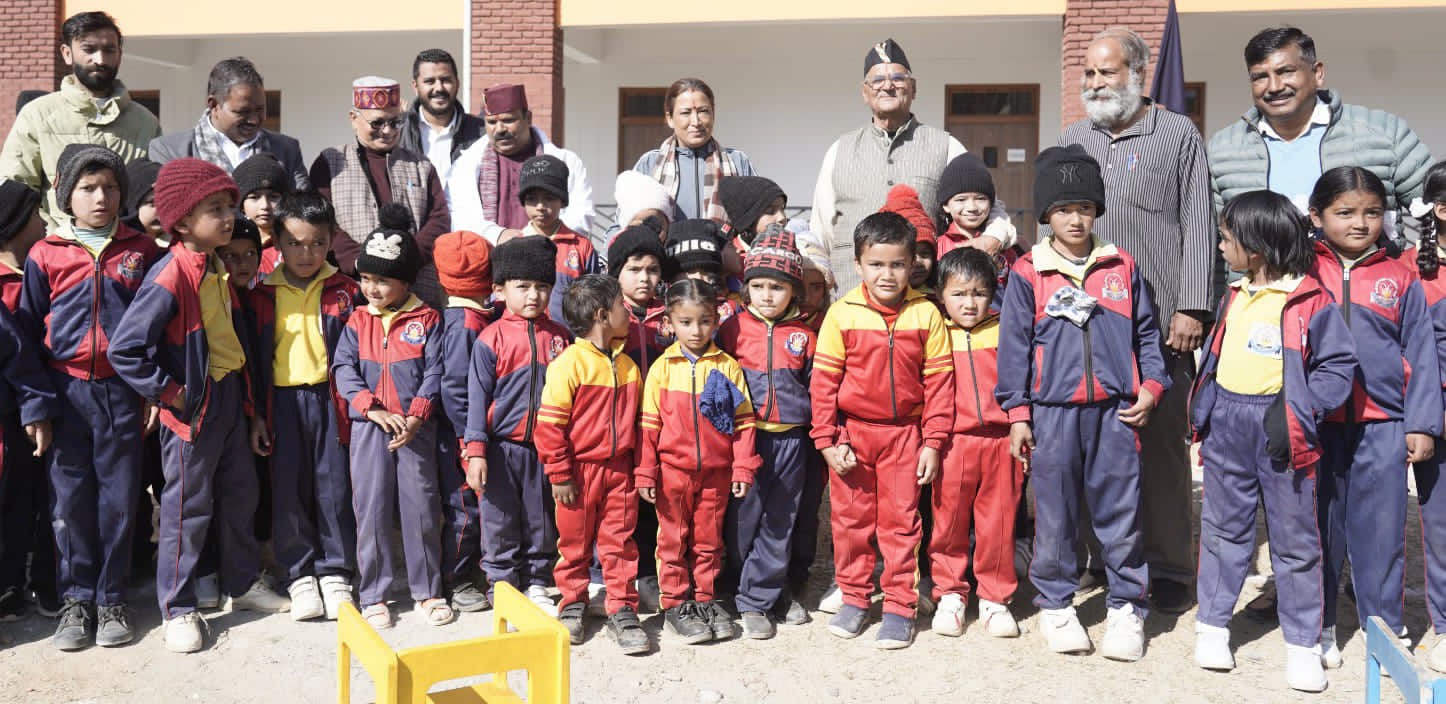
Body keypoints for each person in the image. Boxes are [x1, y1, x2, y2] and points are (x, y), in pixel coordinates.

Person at [1059, 27, 1216, 613]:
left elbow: (1199, 221)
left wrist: (1192, 305)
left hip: (1163, 325)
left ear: (1138, 73)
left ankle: (1170, 566)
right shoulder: (1074, 139)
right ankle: (1100, 558)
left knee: (1162, 452)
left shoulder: (1177, 134)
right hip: (1089, 326)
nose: (1097, 83)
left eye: (1108, 71)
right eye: (1090, 73)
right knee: (1093, 447)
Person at [109, 158, 291, 653]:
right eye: (216, 209)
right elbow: (125, 348)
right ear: (183, 221)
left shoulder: (215, 264)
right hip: (194, 409)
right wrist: (169, 393)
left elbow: (231, 341)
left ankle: (242, 583)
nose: (230, 217)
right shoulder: (171, 274)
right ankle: (178, 607)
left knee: (240, 496)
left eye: (230, 206)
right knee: (185, 510)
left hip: (230, 400)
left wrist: (251, 410)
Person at [996, 145, 1168, 661]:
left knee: (1121, 512)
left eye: (1086, 208)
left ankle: (1126, 605)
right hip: (1052, 414)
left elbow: (1147, 334)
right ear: (1046, 215)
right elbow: (1014, 348)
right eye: (1064, 209)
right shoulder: (1029, 271)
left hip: (1115, 413)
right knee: (1055, 514)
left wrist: (1152, 385)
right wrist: (1018, 413)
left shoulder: (1121, 265)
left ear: (1098, 211)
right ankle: (1056, 604)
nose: (1076, 219)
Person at [1190, 189, 1354, 692]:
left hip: (1284, 432)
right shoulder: (1235, 293)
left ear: (1257, 247)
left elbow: (1337, 367)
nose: (1221, 246)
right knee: (1223, 530)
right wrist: (1206, 409)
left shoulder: (1309, 298)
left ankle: (1303, 643)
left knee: (1295, 539)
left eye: (1227, 238)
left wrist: (1299, 411)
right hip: (1228, 428)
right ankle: (1212, 627)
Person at [16, 145, 162, 651]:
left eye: (110, 188)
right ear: (66, 195)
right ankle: (76, 600)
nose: (101, 198)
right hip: (66, 392)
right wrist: (36, 405)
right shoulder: (47, 254)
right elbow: (26, 338)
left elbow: (158, 330)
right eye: (88, 188)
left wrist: (152, 388)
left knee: (120, 500)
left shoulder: (142, 251)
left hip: (123, 393)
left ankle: (112, 599)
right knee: (69, 502)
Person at [1307, 166, 1441, 666]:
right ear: (1317, 216)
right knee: (1318, 526)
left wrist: (1421, 423)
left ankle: (1382, 627)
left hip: (1383, 423)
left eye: (1372, 212)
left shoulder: (1400, 276)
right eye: (1345, 212)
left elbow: (1421, 353)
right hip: (1317, 425)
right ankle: (1317, 624)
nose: (1360, 223)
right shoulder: (1301, 269)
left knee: (1382, 532)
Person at [809, 211, 952, 649]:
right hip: (852, 435)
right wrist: (826, 440)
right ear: (858, 264)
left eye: (897, 264)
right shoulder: (841, 314)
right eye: (876, 264)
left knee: (901, 524)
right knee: (850, 522)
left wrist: (932, 442)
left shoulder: (926, 314)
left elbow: (940, 385)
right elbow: (823, 384)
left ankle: (899, 607)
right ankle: (854, 597)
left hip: (905, 436)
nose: (886, 274)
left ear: (912, 265)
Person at [809, 38, 1015, 292]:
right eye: (877, 80)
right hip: (850, 293)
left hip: (924, 296)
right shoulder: (839, 150)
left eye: (897, 78)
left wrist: (994, 237)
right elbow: (820, 228)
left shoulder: (946, 146)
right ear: (864, 92)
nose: (887, 86)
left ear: (913, 88)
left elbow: (992, 206)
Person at [331, 206, 450, 630]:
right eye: (366, 278)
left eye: (382, 280)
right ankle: (374, 594)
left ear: (406, 282)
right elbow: (343, 368)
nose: (372, 288)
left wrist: (417, 415)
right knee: (372, 508)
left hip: (415, 431)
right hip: (370, 429)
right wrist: (371, 407)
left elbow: (436, 372)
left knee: (421, 508)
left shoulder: (428, 318)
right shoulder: (357, 320)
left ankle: (428, 590)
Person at [246, 191, 361, 622]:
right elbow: (252, 362)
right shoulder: (262, 294)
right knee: (287, 488)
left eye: (317, 243)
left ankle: (335, 571)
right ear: (276, 241)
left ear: (331, 240)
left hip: (331, 400)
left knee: (334, 486)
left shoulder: (345, 291)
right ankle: (299, 573)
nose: (306, 253)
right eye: (295, 243)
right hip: (281, 402)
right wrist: (256, 414)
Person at [639, 278, 761, 645]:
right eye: (686, 322)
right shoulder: (662, 369)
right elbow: (649, 425)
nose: (696, 330)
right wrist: (646, 471)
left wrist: (742, 466)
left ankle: (705, 599)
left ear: (716, 320)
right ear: (669, 323)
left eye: (705, 321)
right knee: (673, 539)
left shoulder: (727, 367)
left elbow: (744, 422)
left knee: (708, 540)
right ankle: (677, 604)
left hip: (716, 474)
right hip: (672, 473)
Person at [1209, 27, 1433, 224]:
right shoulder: (1222, 151)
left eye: (1286, 72)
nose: (1274, 87)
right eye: (1260, 77)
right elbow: (1210, 239)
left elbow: (1438, 208)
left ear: (1317, 73)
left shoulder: (1384, 132)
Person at [534, 273, 650, 654]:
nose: (627, 313)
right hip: (578, 473)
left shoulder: (629, 367)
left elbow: (639, 425)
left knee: (620, 541)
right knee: (574, 542)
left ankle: (622, 608)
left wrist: (639, 469)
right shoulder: (569, 364)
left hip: (620, 471)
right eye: (621, 306)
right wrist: (560, 473)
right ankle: (572, 602)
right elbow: (549, 427)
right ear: (602, 315)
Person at [717, 227, 815, 639]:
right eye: (758, 286)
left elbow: (817, 389)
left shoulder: (805, 336)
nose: (767, 295)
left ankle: (760, 596)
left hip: (791, 441)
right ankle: (742, 588)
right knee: (742, 519)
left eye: (777, 287)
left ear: (793, 290)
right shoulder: (732, 329)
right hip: (746, 440)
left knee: (780, 519)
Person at [463, 236, 569, 615]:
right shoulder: (490, 339)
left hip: (545, 449)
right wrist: (476, 452)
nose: (533, 296)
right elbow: (476, 401)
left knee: (541, 518)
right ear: (500, 290)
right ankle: (503, 586)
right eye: (522, 286)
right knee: (500, 520)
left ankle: (538, 581)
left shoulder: (561, 338)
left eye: (542, 286)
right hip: (500, 448)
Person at [929, 247, 1023, 639]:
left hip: (1001, 442)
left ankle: (995, 598)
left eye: (979, 293)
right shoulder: (935, 332)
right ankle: (950, 592)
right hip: (953, 443)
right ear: (941, 295)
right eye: (959, 294)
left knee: (998, 523)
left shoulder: (1006, 329)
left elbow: (1022, 380)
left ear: (993, 293)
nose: (969, 303)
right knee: (948, 521)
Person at [1, 12, 161, 230]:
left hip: (127, 247)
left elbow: (154, 193)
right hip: (55, 246)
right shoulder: (37, 115)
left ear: (120, 54)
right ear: (67, 54)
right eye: (89, 49)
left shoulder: (145, 122)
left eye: (109, 50)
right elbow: (16, 189)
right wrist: (55, 238)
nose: (100, 59)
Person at [311, 76, 449, 307]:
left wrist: (408, 258)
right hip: (353, 291)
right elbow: (321, 222)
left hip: (416, 291)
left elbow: (439, 219)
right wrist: (360, 261)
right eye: (377, 123)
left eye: (395, 122)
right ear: (353, 118)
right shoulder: (330, 163)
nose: (387, 131)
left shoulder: (420, 166)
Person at [0, 180, 58, 623]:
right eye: (37, 215)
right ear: (18, 224)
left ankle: (34, 582)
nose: (44, 224)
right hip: (13, 415)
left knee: (37, 499)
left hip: (36, 411)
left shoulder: (42, 273)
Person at [606, 222, 671, 609]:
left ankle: (656, 572)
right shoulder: (611, 317)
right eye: (634, 269)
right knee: (624, 502)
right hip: (622, 426)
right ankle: (624, 576)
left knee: (656, 499)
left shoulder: (671, 316)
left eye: (652, 269)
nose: (644, 278)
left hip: (665, 426)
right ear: (617, 272)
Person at [431, 229, 493, 613]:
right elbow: (454, 388)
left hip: (472, 434)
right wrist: (467, 440)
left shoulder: (475, 316)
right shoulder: (465, 324)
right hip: (460, 438)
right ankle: (457, 579)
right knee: (465, 510)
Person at [447, 84, 595, 245]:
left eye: (508, 120)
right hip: (489, 255)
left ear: (528, 118)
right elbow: (458, 217)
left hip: (552, 254)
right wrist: (497, 235)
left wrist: (541, 239)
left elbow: (581, 215)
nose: (500, 129)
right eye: (491, 122)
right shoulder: (465, 166)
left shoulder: (566, 161)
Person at [147, 57, 310, 192]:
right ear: (213, 105)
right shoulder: (169, 151)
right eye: (243, 112)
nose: (254, 120)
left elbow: (301, 210)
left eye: (260, 109)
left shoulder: (286, 149)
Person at [1407, 161, 1446, 673]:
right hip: (1437, 418)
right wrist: (1428, 418)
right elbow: (1409, 357)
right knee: (1441, 530)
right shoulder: (1413, 274)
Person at [633, 78, 755, 226]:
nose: (696, 122)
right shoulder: (649, 164)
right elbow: (624, 224)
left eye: (703, 111)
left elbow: (758, 218)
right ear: (670, 118)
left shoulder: (737, 161)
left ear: (713, 114)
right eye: (685, 113)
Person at [517, 155, 600, 324]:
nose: (540, 206)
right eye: (532, 199)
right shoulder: (514, 246)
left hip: (571, 339)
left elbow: (594, 299)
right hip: (524, 338)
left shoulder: (581, 247)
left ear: (562, 201)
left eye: (549, 197)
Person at [935, 154, 1016, 298]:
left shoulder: (1002, 246)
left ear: (991, 203)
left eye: (980, 199)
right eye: (961, 200)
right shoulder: (938, 248)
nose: (972, 207)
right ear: (946, 205)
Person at [399, 49, 484, 180]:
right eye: (430, 81)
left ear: (457, 84)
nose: (439, 88)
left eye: (446, 80)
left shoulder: (481, 134)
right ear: (415, 87)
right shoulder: (397, 132)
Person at [232, 153, 291, 278]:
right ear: (241, 205)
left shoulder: (294, 244)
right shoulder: (229, 244)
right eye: (255, 197)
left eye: (273, 197)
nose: (265, 205)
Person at [120, 159, 166, 243]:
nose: (162, 209)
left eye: (166, 202)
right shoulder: (119, 246)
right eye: (152, 203)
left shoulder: (183, 242)